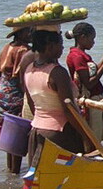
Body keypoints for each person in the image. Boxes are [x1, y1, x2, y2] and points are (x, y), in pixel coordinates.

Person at [22, 28, 85, 163]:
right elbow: (69, 110)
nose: (62, 48)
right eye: (60, 44)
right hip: (60, 133)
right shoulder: (57, 73)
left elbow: (32, 105)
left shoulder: (28, 70)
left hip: (37, 130)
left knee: (40, 177)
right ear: (50, 46)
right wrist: (85, 135)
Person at [65, 22, 103, 141]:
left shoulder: (83, 55)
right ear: (82, 37)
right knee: (93, 136)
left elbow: (92, 73)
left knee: (98, 134)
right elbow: (88, 83)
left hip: (95, 98)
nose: (93, 42)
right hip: (89, 100)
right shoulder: (77, 57)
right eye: (92, 39)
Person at [0, 26, 32, 173]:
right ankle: (15, 171)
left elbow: (0, 71)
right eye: (29, 31)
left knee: (10, 128)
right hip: (14, 91)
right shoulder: (23, 50)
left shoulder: (7, 46)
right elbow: (22, 78)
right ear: (20, 34)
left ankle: (10, 169)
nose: (31, 34)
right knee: (19, 130)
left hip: (2, 88)